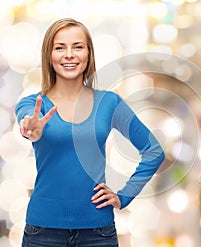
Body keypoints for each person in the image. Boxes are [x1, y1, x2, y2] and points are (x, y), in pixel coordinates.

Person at [15, 18, 165, 247]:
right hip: (42, 233)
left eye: (77, 46)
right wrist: (30, 128)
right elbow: (27, 123)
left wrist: (123, 196)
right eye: (59, 47)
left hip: (97, 234)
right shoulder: (33, 104)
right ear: (49, 55)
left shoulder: (109, 103)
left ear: (88, 54)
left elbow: (154, 151)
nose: (69, 55)